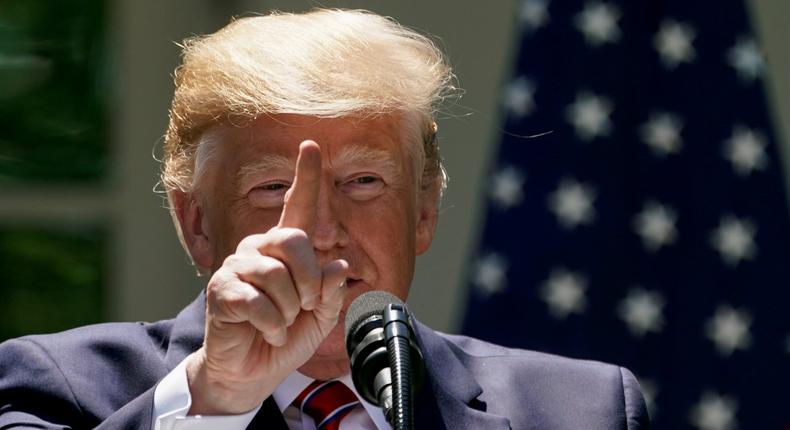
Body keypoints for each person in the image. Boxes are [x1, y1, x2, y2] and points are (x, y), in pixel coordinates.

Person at [0, 8, 649, 429]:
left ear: (424, 210)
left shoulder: (583, 410)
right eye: (273, 187)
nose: (322, 229)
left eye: (363, 182)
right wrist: (215, 399)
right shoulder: (54, 388)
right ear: (196, 224)